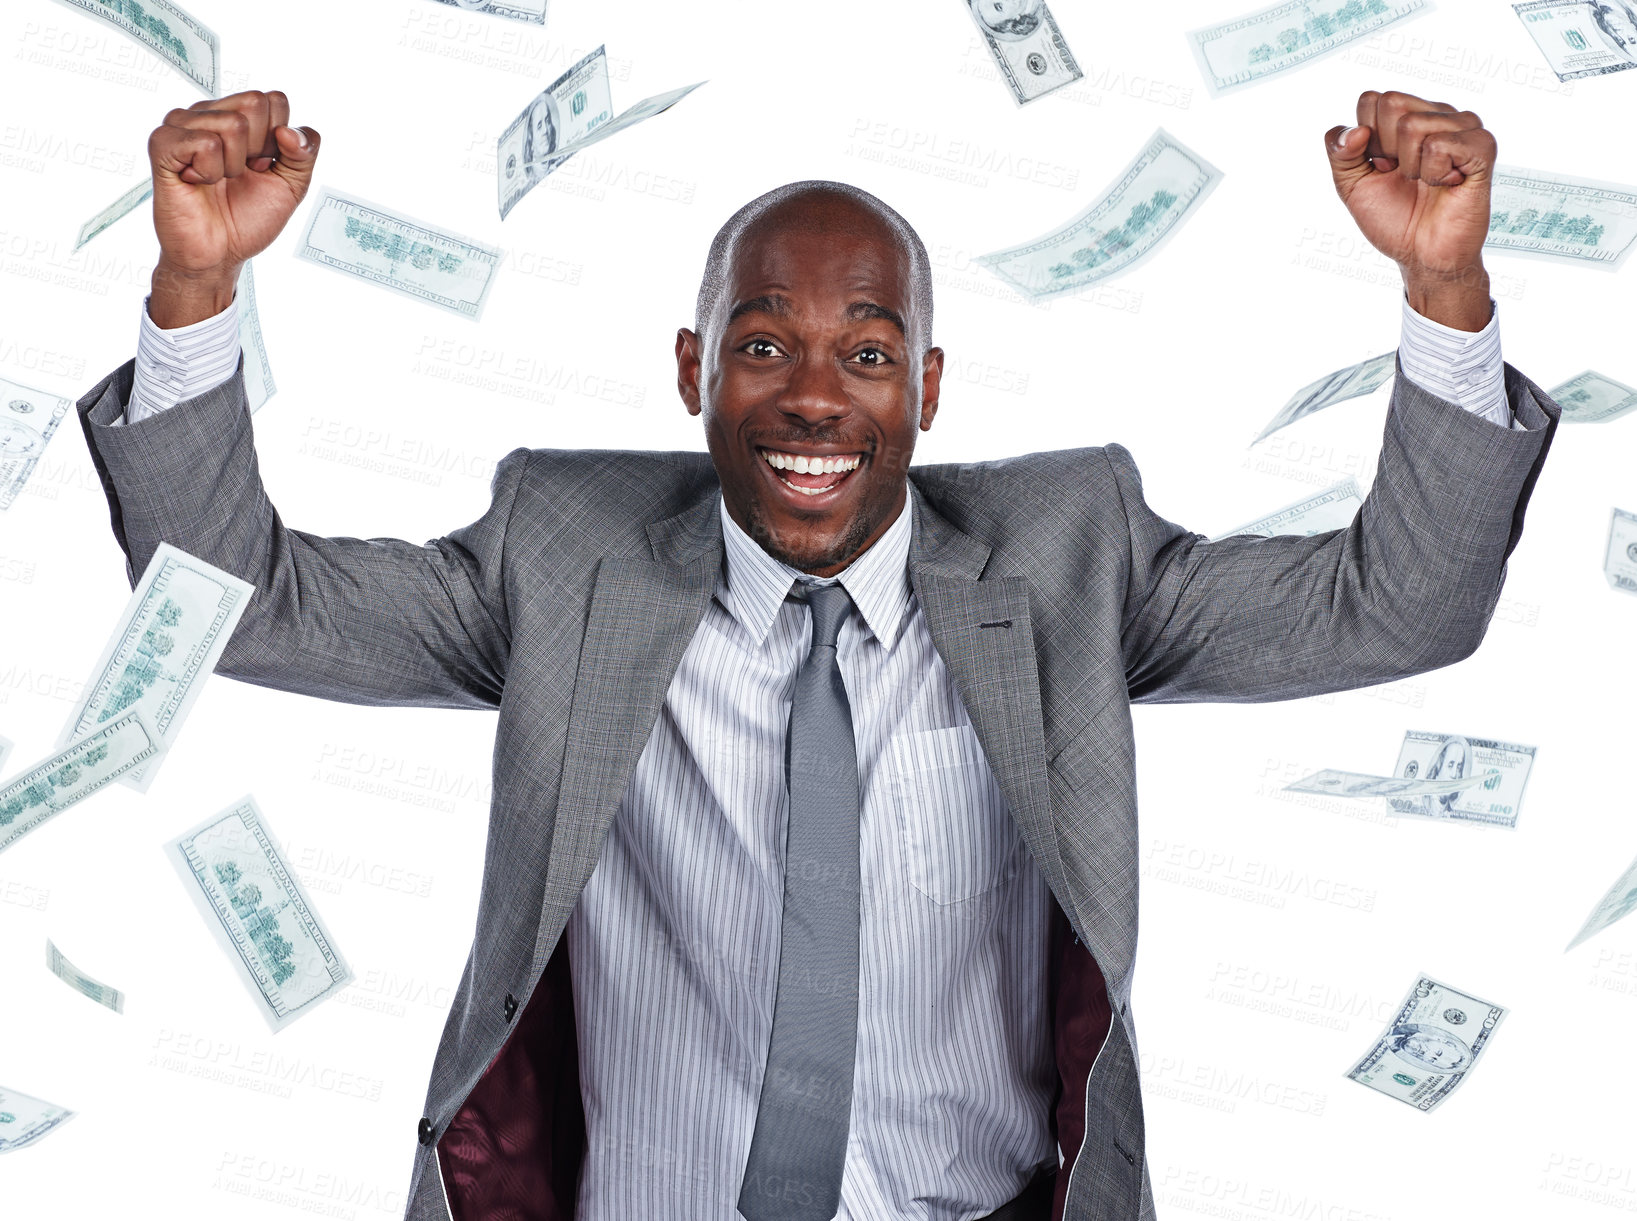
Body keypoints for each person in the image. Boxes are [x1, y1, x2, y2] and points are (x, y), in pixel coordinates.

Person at [79, 88, 1559, 1221]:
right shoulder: (561, 551)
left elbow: (1403, 606)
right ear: (690, 367)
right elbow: (243, 604)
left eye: (862, 353)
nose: (810, 400)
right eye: (761, 343)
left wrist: (1441, 297)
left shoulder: (1067, 558)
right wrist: (198, 291)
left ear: (922, 385)